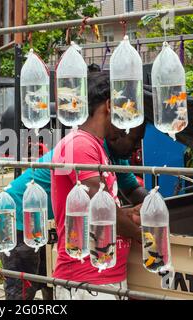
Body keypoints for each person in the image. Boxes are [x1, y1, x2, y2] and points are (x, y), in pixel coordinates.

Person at [1, 120, 147, 299]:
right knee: (23, 290)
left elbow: (132, 190)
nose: (136, 147)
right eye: (134, 140)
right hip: (20, 214)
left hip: (47, 220)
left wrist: (157, 207)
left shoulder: (115, 156)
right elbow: (104, 209)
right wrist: (144, 235)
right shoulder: (83, 150)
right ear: (118, 134)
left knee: (47, 283)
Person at [51, 70, 144, 300]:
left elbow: (97, 209)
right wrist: (148, 237)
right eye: (127, 107)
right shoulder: (80, 144)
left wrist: (126, 213)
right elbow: (102, 211)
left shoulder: (96, 147)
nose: (128, 118)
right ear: (111, 105)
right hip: (87, 282)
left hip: (103, 277)